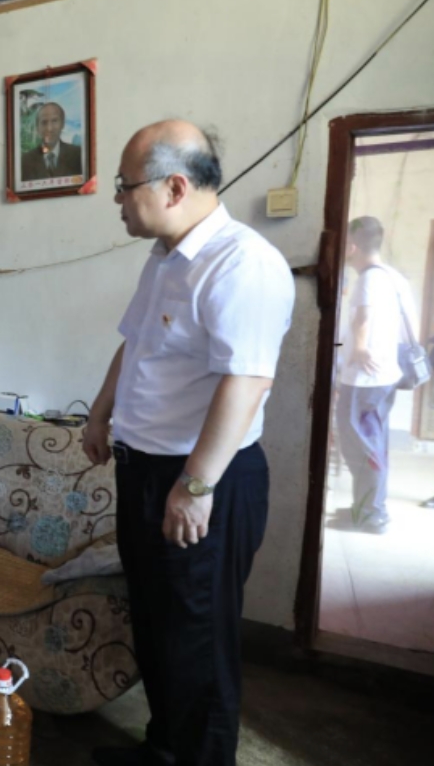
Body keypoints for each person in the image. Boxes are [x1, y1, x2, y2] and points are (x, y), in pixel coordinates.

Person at [82, 121, 294, 766]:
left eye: (125, 186)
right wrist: (100, 414)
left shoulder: (242, 262)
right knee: (158, 625)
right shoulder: (165, 259)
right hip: (147, 474)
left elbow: (247, 381)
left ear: (174, 187)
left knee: (198, 641)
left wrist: (195, 485)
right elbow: (136, 344)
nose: (118, 199)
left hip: (203, 481)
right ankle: (165, 750)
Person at [335, 216, 416, 531]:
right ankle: (365, 507)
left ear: (352, 246)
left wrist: (359, 348)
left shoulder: (368, 278)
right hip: (384, 376)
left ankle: (371, 514)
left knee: (361, 445)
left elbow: (363, 318)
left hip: (365, 378)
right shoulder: (394, 278)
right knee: (372, 442)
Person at [20, 102, 83, 181]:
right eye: (44, 122)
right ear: (37, 127)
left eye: (54, 121)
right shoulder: (25, 161)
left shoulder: (78, 155)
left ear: (62, 123)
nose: (49, 128)